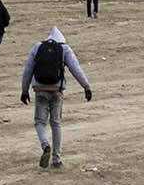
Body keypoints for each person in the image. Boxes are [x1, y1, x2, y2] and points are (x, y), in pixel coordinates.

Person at [19, 26, 92, 169]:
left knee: (40, 122)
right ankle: (56, 159)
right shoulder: (65, 49)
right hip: (57, 89)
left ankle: (45, 145)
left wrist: (24, 90)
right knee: (56, 123)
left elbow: (28, 68)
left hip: (39, 88)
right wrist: (86, 87)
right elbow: (75, 68)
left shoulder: (38, 47)